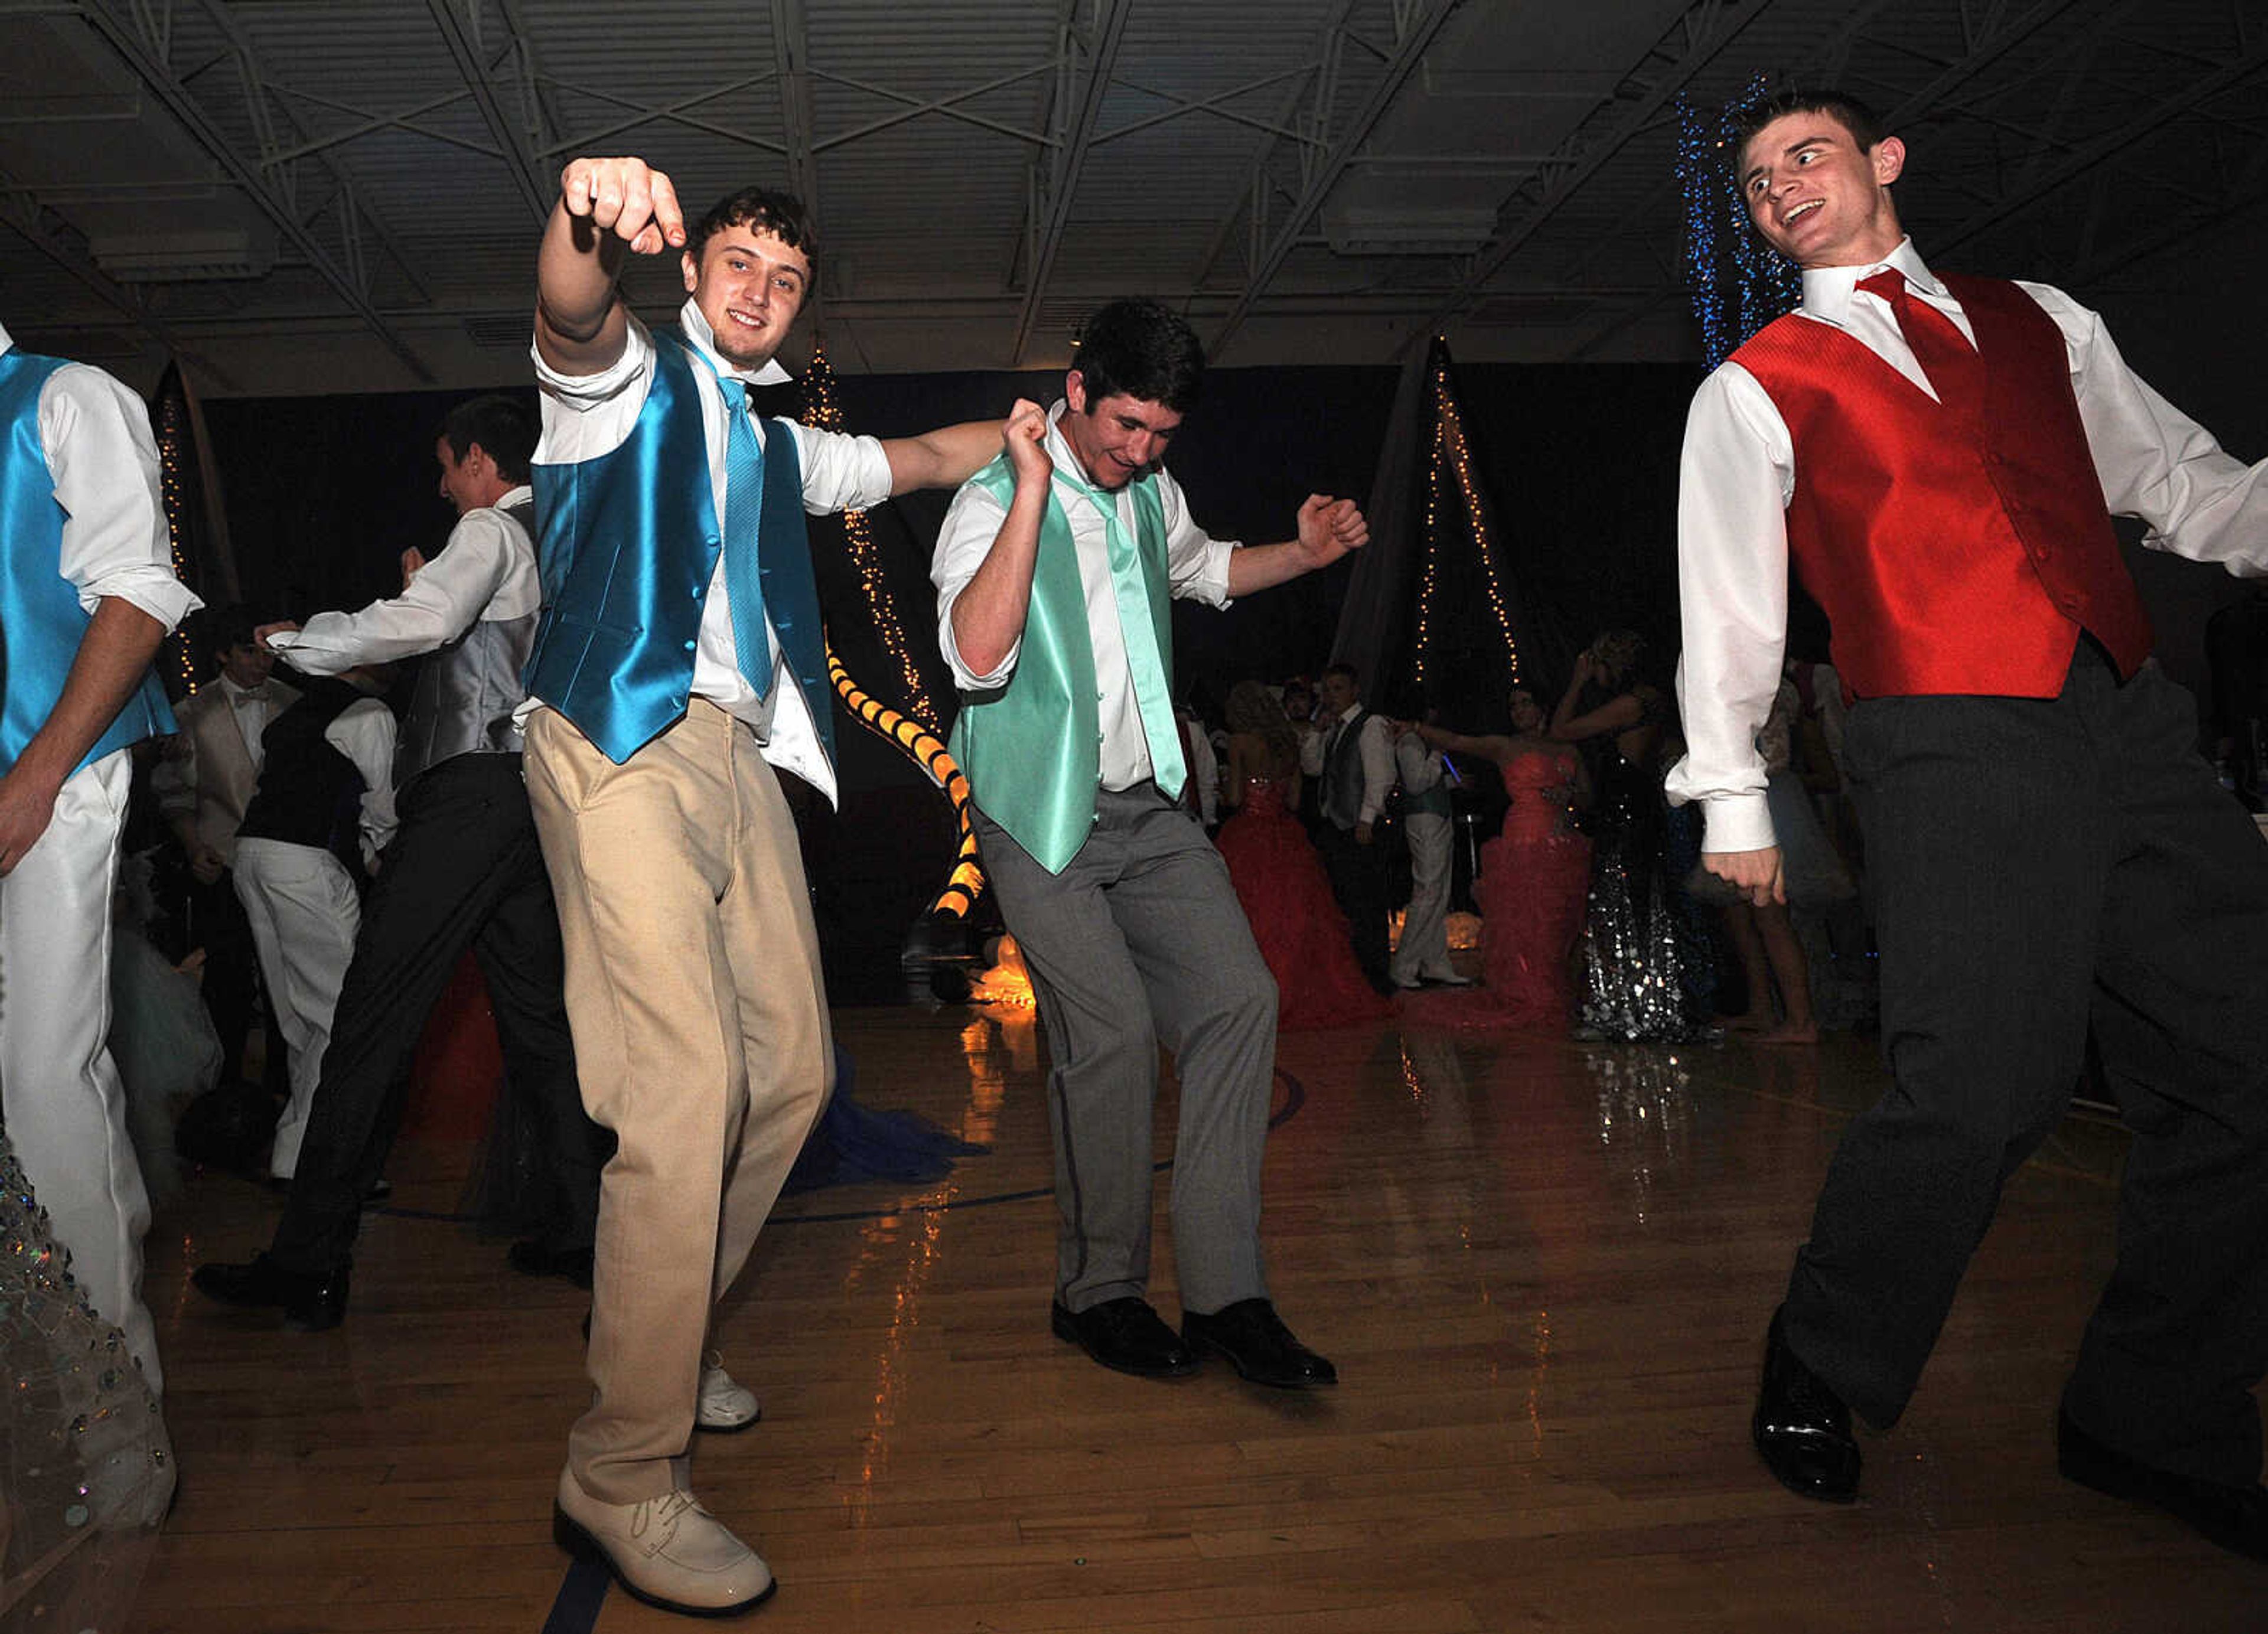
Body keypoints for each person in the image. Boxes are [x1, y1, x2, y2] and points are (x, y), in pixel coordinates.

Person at [1672, 88, 2268, 1557]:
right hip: (1940, 736)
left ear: (1880, 160)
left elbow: (2171, 481)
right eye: (1753, 184)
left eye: (1801, 156)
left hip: (2122, 718)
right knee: (1981, 1087)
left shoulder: (2038, 317)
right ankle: (1822, 1349)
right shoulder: (1756, 381)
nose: (1777, 191)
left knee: (2249, 1054)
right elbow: (1728, 607)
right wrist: (1733, 793)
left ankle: (2147, 1411)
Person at [523, 154, 1003, 1617]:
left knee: (788, 1079)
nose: (759, 290)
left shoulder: (774, 441)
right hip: (615, 742)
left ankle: (662, 1341)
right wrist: (582, 212)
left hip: (733, 758)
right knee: (678, 1095)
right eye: (737, 263)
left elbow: (921, 459)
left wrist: (1033, 430)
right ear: (690, 275)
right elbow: (565, 313)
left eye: (786, 280)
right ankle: (620, 1472)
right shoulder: (621, 385)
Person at [934, 297, 1366, 1397]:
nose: (1141, 449)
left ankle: (1228, 1298)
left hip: (1148, 807)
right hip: (1039, 812)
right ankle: (1097, 1295)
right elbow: (978, 663)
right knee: (1116, 1032)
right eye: (1125, 424)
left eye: (1162, 433)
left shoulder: (1148, 491)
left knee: (1239, 1001)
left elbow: (1206, 569)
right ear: (1075, 393)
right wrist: (1034, 487)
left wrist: (1304, 554)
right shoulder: (988, 504)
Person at [191, 394, 607, 1333]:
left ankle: (307, 1261)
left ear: (476, 464)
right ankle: (589, 1230)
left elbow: (421, 621)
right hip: (533, 799)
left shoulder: (492, 530)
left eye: (446, 464)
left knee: (372, 1017)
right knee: (540, 1024)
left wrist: (298, 640)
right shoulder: (565, 531)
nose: (441, 481)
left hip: (469, 802)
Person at [0, 318, 199, 1395]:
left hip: (50, 771)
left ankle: (111, 1400)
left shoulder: (63, 397)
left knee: (41, 1077)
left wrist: (35, 780)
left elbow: (137, 594)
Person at [228, 660, 396, 1183]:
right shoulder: (368, 713)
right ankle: (323, 1164)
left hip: (252, 854)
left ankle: (295, 1153)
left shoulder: (293, 714)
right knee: (341, 1014)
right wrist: (382, 852)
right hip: (304, 862)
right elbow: (385, 805)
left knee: (298, 1019)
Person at [155, 607, 299, 1092]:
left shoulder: (295, 703)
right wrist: (194, 847)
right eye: (249, 652)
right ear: (223, 654)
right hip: (222, 860)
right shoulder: (189, 714)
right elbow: (174, 792)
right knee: (228, 981)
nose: (261, 663)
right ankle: (229, 1091)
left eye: (266, 653)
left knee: (288, 979)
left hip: (286, 859)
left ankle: (286, 1085)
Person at [1405, 687, 1591, 1031]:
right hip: (1524, 841)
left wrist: (1571, 795)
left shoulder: (1568, 749)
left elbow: (1588, 798)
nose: (1518, 711)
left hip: (1564, 842)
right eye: (1513, 706)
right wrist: (1415, 727)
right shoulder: (1506, 747)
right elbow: (1458, 740)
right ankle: (1530, 994)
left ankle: (1559, 992)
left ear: (1542, 708)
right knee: (1527, 924)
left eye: (1525, 703)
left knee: (1563, 923)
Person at [1213, 679, 1389, 1030]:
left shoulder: (1241, 742)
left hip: (1249, 836)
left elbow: (1233, 800)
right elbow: (1294, 802)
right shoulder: (1288, 745)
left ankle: (1253, 1000)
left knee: (1249, 918)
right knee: (1296, 921)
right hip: (1287, 837)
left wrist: (1226, 786)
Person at [1553, 630, 1696, 1040]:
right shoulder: (1650, 699)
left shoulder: (1630, 703)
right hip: (1638, 807)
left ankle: (1631, 1006)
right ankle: (1640, 1002)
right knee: (1632, 904)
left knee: (1618, 902)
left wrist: (1577, 682)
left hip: (1627, 812)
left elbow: (1561, 729)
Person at [1302, 661, 1396, 993]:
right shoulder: (1333, 728)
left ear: (1355, 690)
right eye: (1327, 690)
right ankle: (1355, 975)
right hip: (1334, 825)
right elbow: (1312, 769)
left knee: (1367, 904)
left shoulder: (1369, 725)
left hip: (1359, 826)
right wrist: (1316, 731)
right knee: (1344, 902)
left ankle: (1376, 978)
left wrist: (1368, 817)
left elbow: (1380, 776)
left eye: (1338, 688)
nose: (1331, 696)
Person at [1387, 685, 1470, 990]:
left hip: (1436, 817)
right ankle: (1405, 964)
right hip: (1424, 821)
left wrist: (1450, 782)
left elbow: (1427, 782)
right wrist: (1437, 754)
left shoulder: (1417, 740)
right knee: (1427, 892)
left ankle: (1435, 962)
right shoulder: (1410, 741)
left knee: (1439, 891)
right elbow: (1417, 782)